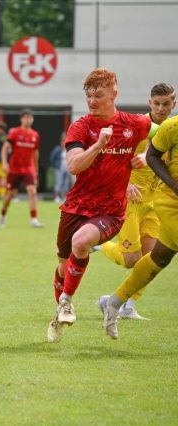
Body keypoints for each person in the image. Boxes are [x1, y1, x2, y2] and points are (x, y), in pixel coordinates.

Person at [46, 68, 156, 343]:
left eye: (98, 94)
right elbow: (73, 165)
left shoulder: (135, 124)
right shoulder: (81, 127)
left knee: (82, 242)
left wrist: (146, 154)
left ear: (114, 92)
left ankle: (67, 302)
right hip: (75, 207)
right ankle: (60, 309)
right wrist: (98, 145)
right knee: (63, 267)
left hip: (111, 210)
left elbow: (165, 135)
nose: (92, 100)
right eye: (88, 95)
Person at [97, 83, 176, 319]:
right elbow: (110, 159)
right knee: (131, 260)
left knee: (152, 260)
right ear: (149, 103)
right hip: (130, 200)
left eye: (166, 103)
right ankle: (101, 245)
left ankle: (127, 304)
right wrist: (126, 183)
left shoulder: (173, 129)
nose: (161, 108)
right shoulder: (136, 127)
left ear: (174, 104)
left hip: (156, 202)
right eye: (157, 103)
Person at [0, 109, 44, 228]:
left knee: (32, 192)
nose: (28, 120)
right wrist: (4, 163)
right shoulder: (15, 132)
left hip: (28, 168)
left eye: (30, 117)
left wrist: (36, 170)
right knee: (10, 195)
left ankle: (34, 219)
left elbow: (35, 154)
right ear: (21, 119)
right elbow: (5, 148)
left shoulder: (35, 135)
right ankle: (2, 215)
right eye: (26, 117)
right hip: (14, 169)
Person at [49, 133, 72, 203]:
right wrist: (56, 166)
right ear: (61, 142)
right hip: (59, 169)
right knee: (59, 182)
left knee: (66, 183)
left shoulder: (69, 149)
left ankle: (65, 197)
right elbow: (51, 159)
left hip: (67, 169)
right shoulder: (57, 149)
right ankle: (56, 197)